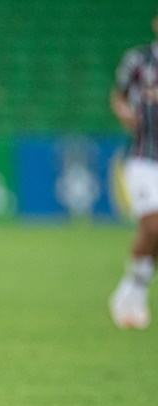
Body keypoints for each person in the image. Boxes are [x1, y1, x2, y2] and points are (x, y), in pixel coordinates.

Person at [109, 11, 158, 330]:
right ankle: (133, 291)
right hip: (144, 157)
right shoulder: (139, 60)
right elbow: (118, 96)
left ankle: (132, 289)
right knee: (153, 225)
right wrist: (126, 113)